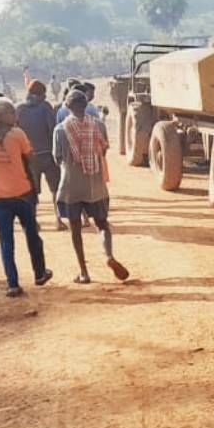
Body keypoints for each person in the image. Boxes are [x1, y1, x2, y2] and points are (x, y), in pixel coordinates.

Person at [0, 97, 52, 297]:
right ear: (3, 115)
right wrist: (34, 184)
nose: (15, 115)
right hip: (21, 192)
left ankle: (13, 283)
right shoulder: (17, 134)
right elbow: (31, 158)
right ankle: (39, 273)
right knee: (32, 235)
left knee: (6, 242)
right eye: (12, 112)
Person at [54, 89, 128, 284]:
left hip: (71, 185)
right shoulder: (98, 125)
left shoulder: (61, 129)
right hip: (95, 185)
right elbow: (103, 150)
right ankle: (109, 256)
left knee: (76, 229)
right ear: (86, 105)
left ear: (68, 107)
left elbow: (58, 157)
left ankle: (84, 272)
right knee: (103, 224)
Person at [17, 80, 65, 230]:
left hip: (29, 157)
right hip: (47, 155)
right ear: (40, 93)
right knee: (55, 189)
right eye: (44, 93)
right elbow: (53, 129)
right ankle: (58, 220)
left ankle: (34, 222)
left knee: (31, 192)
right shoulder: (45, 107)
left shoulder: (19, 109)